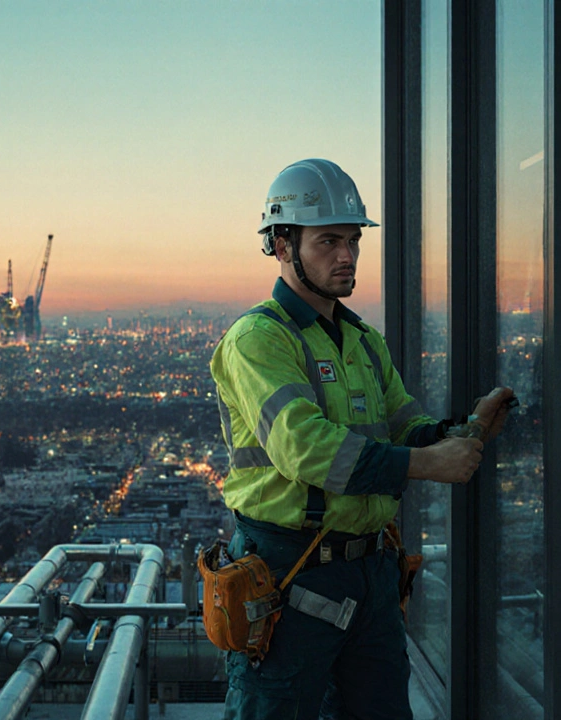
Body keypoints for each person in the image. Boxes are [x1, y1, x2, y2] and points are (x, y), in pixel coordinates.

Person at [210, 158, 515, 719]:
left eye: (352, 240)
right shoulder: (259, 339)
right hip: (288, 574)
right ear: (282, 244)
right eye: (328, 240)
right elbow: (303, 447)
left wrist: (459, 432)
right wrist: (426, 463)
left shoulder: (364, 342)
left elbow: (404, 427)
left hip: (370, 575)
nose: (347, 255)